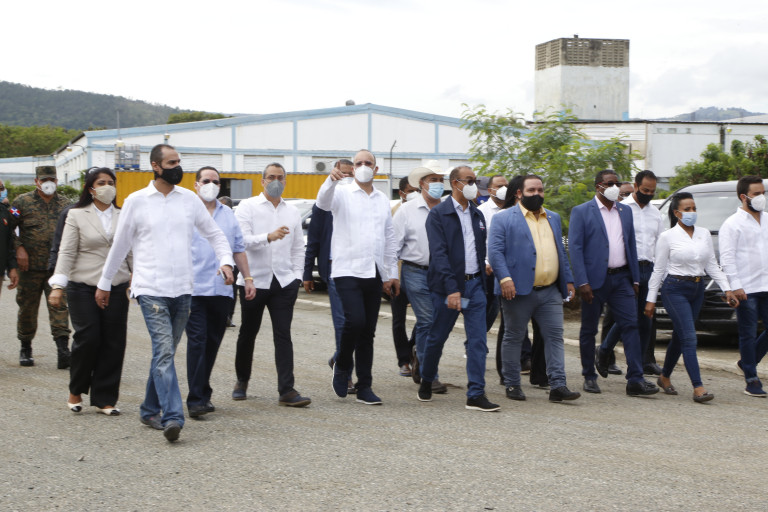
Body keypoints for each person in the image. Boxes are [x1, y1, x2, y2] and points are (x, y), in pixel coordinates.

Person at [96, 144, 235, 443]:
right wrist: (105, 283)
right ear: (155, 166)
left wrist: (226, 261)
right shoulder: (136, 201)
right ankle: (173, 416)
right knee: (164, 352)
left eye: (178, 161)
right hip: (151, 288)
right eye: (171, 163)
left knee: (165, 353)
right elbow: (121, 245)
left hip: (183, 290)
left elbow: (214, 234)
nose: (177, 167)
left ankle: (149, 409)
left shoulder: (189, 200)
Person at [489, 174, 580, 402]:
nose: (537, 194)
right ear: (519, 193)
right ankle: (512, 384)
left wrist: (568, 279)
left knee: (555, 337)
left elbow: (560, 251)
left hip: (550, 291)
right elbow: (495, 252)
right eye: (531, 190)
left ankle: (558, 385)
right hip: (517, 290)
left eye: (540, 190)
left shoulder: (553, 217)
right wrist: (504, 278)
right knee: (514, 337)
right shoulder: (503, 218)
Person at [416, 165, 500, 412]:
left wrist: (483, 274)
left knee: (478, 341)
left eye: (475, 180)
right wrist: (452, 289)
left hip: (475, 286)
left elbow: (480, 249)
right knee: (437, 337)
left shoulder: (477, 215)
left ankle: (476, 393)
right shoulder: (438, 214)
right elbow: (439, 254)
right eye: (469, 180)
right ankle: (427, 378)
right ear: (455, 183)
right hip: (448, 289)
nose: (474, 185)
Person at [318, 149, 398, 406]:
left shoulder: (382, 199)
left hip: (374, 270)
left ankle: (365, 386)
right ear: (352, 168)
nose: (363, 166)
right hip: (347, 269)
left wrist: (391, 273)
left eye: (368, 163)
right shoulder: (341, 192)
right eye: (359, 163)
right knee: (355, 321)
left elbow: (389, 236)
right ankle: (342, 363)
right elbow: (322, 203)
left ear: (375, 169)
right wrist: (330, 180)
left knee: (368, 331)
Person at [48, 168, 131, 415]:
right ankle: (76, 389)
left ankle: (105, 398)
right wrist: (57, 285)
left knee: (113, 341)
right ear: (91, 188)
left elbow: (131, 250)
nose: (107, 187)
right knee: (88, 337)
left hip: (116, 285)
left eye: (111, 182)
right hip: (83, 285)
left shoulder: (124, 214)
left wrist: (136, 279)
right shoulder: (75, 214)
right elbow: (66, 251)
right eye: (101, 183)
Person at [569, 169, 658, 396]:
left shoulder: (625, 211)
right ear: (598, 186)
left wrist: (635, 278)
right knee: (589, 329)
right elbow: (576, 249)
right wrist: (582, 281)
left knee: (631, 325)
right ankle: (589, 375)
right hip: (594, 281)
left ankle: (635, 379)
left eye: (616, 183)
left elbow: (631, 246)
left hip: (622, 279)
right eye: (609, 183)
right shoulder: (581, 211)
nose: (614, 187)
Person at [645, 192, 738, 402]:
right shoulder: (667, 237)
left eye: (694, 208)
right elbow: (658, 270)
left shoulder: (703, 234)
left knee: (680, 336)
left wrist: (727, 289)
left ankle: (664, 377)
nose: (692, 212)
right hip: (674, 289)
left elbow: (712, 265)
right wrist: (650, 299)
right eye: (687, 209)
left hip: (697, 289)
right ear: (677, 213)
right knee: (689, 337)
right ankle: (698, 387)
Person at [232, 163, 310, 407]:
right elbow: (241, 241)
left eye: (280, 177)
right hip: (253, 280)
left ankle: (287, 389)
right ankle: (242, 381)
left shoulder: (292, 211)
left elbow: (298, 247)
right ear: (262, 181)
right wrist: (268, 237)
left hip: (284, 282)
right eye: (271, 177)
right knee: (248, 332)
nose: (276, 181)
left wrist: (297, 276)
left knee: (283, 334)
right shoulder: (247, 207)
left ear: (285, 181)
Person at [186, 167, 256, 418]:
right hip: (193, 289)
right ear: (196, 184)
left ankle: (203, 391)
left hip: (221, 289)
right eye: (206, 180)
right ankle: (196, 399)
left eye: (215, 182)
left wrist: (248, 278)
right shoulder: (187, 211)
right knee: (197, 341)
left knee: (212, 343)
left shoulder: (228, 215)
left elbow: (238, 249)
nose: (211, 185)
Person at [598, 171, 665, 377]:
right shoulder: (621, 209)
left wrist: (660, 273)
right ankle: (605, 351)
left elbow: (661, 244)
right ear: (635, 186)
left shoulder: (656, 214)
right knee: (627, 317)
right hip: (627, 269)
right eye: (645, 190)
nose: (649, 194)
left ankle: (640, 367)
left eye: (652, 191)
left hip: (649, 269)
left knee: (646, 319)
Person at [393, 160, 448, 393]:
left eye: (440, 180)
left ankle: (421, 360)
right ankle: (429, 374)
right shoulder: (407, 211)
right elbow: (393, 245)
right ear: (422, 184)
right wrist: (391, 276)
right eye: (433, 179)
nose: (438, 184)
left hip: (443, 274)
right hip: (415, 271)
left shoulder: (448, 209)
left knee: (438, 322)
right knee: (428, 321)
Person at [10, 165, 72, 368]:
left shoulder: (66, 204)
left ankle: (63, 349)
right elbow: (7, 228)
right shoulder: (21, 202)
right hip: (29, 267)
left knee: (59, 306)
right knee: (27, 308)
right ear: (36, 181)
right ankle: (25, 346)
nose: (48, 183)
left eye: (52, 180)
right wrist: (19, 248)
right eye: (44, 180)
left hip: (56, 268)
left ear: (57, 181)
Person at [304, 159, 356, 394]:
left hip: (358, 270)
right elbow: (313, 239)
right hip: (335, 270)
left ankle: (338, 358)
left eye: (349, 174)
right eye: (341, 173)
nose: (345, 178)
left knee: (359, 323)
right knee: (343, 323)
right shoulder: (323, 205)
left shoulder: (357, 203)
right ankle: (346, 374)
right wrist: (307, 272)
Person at [718, 175, 768, 397]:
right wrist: (735, 286)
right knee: (747, 333)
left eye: (763, 193)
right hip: (746, 288)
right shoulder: (732, 224)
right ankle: (751, 379)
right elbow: (727, 258)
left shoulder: (767, 219)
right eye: (756, 194)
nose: (761, 197)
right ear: (743, 196)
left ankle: (748, 361)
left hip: (766, 285)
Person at [390, 176, 418, 377]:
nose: (415, 194)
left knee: (425, 317)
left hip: (418, 275)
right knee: (398, 320)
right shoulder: (393, 212)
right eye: (411, 190)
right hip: (397, 276)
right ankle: (404, 360)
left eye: (417, 189)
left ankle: (413, 347)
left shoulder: (424, 210)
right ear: (401, 193)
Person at [0, 178, 19, 297]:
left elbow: (9, 242)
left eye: (1, 188)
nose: (1, 191)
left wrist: (12, 268)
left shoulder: (5, 211)